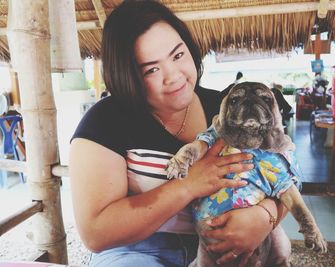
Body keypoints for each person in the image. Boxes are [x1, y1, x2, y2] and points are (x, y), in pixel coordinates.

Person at [69, 1, 290, 266]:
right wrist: (187, 186)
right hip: (138, 251)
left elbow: (287, 172)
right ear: (127, 75)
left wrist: (265, 217)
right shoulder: (104, 122)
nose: (173, 77)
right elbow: (96, 233)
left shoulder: (228, 108)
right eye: (151, 69)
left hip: (222, 247)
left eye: (177, 55)